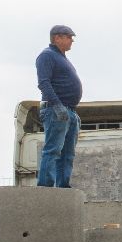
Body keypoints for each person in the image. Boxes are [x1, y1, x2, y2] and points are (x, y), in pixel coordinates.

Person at [35, 25, 82, 188]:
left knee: (67, 154)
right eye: (69, 37)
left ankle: (63, 187)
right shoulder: (46, 56)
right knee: (53, 150)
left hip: (69, 111)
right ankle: (45, 188)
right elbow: (44, 83)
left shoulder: (62, 58)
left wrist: (71, 111)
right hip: (56, 110)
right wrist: (57, 106)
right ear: (57, 38)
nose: (72, 40)